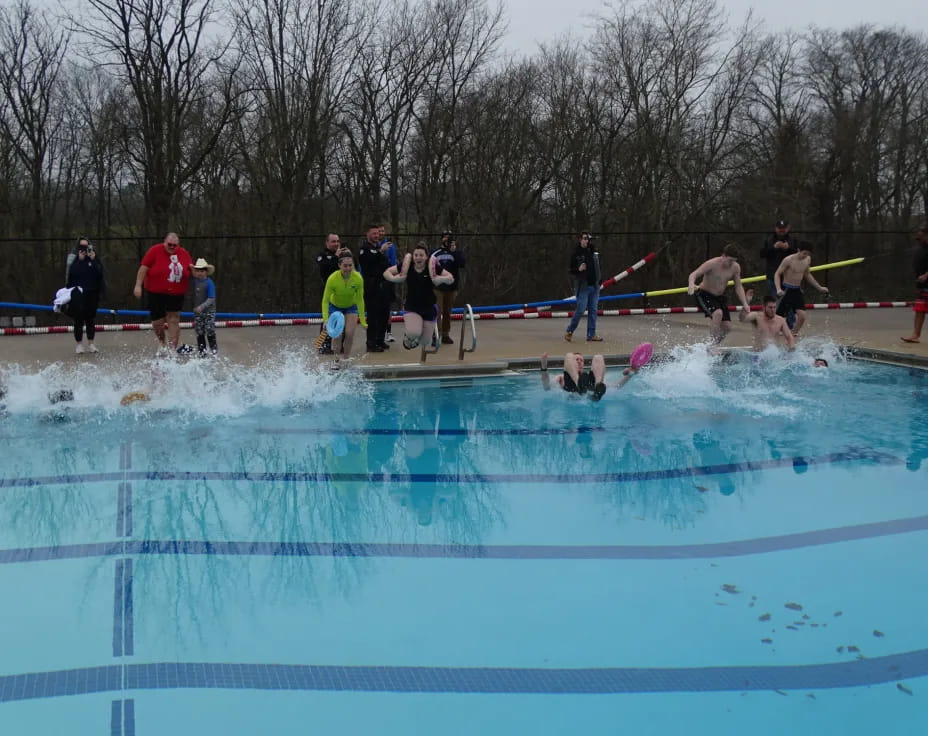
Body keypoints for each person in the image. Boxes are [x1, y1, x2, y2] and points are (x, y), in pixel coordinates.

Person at [383, 243, 454, 349]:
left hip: (429, 307)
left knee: (425, 342)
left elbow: (451, 278)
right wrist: (394, 279)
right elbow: (386, 272)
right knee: (414, 333)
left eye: (421, 255)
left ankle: (417, 336)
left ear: (426, 257)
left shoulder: (432, 267)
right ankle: (409, 336)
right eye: (416, 255)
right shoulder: (407, 266)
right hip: (412, 306)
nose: (418, 258)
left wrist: (440, 279)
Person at [133, 232, 193, 353]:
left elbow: (191, 269)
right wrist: (138, 285)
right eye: (169, 244)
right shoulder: (154, 250)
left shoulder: (184, 253)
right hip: (156, 292)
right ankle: (162, 342)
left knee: (173, 319)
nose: (172, 247)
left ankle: (173, 348)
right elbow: (143, 268)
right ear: (165, 242)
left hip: (176, 292)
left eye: (174, 245)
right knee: (157, 321)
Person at [688, 243, 752, 345]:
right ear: (723, 256)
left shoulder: (735, 267)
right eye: (730, 260)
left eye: (734, 261)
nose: (731, 263)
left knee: (727, 328)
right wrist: (691, 285)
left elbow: (738, 286)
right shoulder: (712, 264)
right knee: (718, 313)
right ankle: (712, 347)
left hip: (719, 298)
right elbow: (693, 275)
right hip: (704, 294)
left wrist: (745, 303)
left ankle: (710, 345)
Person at [774, 242, 829, 336]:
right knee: (779, 316)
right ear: (798, 250)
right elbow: (777, 274)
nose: (805, 255)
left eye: (808, 254)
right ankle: (772, 332)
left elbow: (807, 274)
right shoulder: (788, 260)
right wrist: (778, 289)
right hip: (786, 289)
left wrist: (819, 287)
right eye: (804, 253)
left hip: (797, 290)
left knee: (802, 316)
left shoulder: (807, 259)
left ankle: (793, 333)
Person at [321, 249, 367, 359]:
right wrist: (325, 319)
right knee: (337, 334)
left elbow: (360, 300)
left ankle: (346, 358)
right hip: (335, 307)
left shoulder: (358, 278)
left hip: (351, 307)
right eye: (345, 266)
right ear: (339, 265)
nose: (348, 268)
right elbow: (325, 300)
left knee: (349, 334)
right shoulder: (332, 279)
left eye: (350, 265)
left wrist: (363, 320)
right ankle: (336, 359)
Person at [66, 237, 105, 354]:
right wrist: (79, 260)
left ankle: (91, 343)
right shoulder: (73, 259)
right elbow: (71, 274)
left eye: (86, 246)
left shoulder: (94, 258)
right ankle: (79, 344)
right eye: (81, 247)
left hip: (92, 293)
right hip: (78, 293)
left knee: (90, 319)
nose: (83, 249)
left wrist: (93, 260)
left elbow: (100, 273)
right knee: (78, 319)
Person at [357, 223, 391, 352]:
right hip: (371, 286)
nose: (377, 236)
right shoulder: (364, 249)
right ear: (368, 234)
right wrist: (380, 252)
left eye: (378, 233)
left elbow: (385, 264)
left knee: (384, 313)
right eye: (374, 233)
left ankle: (380, 340)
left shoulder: (378, 248)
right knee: (373, 315)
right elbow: (367, 263)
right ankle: (371, 343)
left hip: (383, 285)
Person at [565, 232, 603, 343]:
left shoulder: (593, 251)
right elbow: (571, 270)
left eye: (588, 239)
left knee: (593, 311)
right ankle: (570, 331)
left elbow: (598, 267)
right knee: (581, 309)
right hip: (583, 286)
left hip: (595, 286)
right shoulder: (576, 253)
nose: (587, 241)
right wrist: (579, 269)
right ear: (580, 239)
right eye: (585, 238)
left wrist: (600, 279)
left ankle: (591, 334)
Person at [431, 230, 466, 344]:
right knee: (437, 311)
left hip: (452, 288)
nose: (447, 239)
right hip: (438, 288)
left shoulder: (456, 252)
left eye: (449, 237)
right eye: (445, 237)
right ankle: (436, 335)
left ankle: (445, 334)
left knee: (447, 312)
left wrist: (454, 251)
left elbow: (462, 264)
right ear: (441, 239)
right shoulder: (435, 252)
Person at [541, 352, 607, 401]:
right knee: (569, 355)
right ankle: (578, 384)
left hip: (590, 393)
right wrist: (544, 367)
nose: (579, 361)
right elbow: (547, 387)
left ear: (583, 365)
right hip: (571, 389)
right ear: (571, 363)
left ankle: (597, 391)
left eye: (581, 360)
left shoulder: (587, 379)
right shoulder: (561, 378)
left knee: (598, 357)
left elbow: (610, 387)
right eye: (576, 359)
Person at [316, 233, 342, 355]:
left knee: (340, 318)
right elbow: (325, 268)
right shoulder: (322, 255)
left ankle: (337, 345)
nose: (336, 244)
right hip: (328, 291)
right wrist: (336, 258)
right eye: (333, 241)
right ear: (327, 243)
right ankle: (322, 344)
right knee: (328, 318)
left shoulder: (342, 255)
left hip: (341, 291)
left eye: (337, 241)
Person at [902, 225, 928, 343]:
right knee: (919, 309)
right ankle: (915, 335)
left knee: (920, 309)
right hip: (922, 285)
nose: (918, 239)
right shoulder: (921, 247)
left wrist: (926, 275)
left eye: (921, 237)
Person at [190, 258, 218, 356]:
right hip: (198, 312)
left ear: (206, 272)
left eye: (202, 271)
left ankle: (214, 350)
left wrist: (201, 307)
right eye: (198, 271)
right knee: (199, 331)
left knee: (210, 330)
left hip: (209, 311)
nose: (200, 273)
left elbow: (211, 298)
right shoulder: (195, 282)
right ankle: (202, 352)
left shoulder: (209, 283)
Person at [378, 225, 398, 343]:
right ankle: (376, 332)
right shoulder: (371, 246)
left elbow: (393, 262)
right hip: (375, 280)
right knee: (376, 307)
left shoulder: (390, 246)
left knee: (387, 307)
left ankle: (388, 332)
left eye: (382, 231)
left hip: (387, 279)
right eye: (378, 231)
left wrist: (392, 277)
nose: (380, 233)